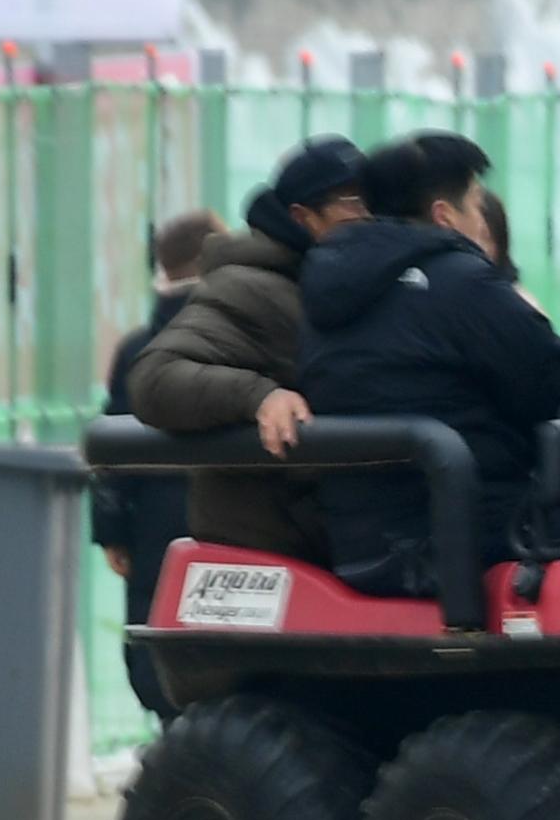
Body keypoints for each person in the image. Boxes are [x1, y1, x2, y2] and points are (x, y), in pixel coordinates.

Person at [297, 132, 560, 595]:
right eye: (477, 205)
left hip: (361, 545)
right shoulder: (463, 283)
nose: (483, 220)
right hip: (475, 536)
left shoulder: (327, 291)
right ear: (445, 215)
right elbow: (554, 390)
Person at [127, 137, 367, 567]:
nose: (370, 218)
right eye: (354, 203)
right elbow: (155, 377)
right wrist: (259, 396)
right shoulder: (251, 286)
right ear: (303, 216)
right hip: (266, 567)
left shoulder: (345, 289)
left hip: (326, 555)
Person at [91, 204, 231, 717]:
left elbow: (111, 447)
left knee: (156, 633)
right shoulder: (239, 337)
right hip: (229, 517)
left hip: (151, 520)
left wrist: (111, 529)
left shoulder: (137, 349)